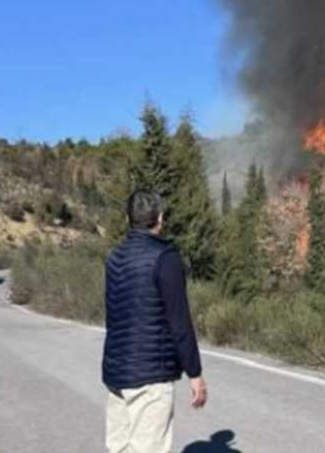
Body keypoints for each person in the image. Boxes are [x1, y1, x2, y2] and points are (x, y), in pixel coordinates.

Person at [102, 191, 207, 453]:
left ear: (129, 218)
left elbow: (113, 315)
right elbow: (179, 321)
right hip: (150, 377)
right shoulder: (166, 257)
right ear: (160, 218)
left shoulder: (114, 258)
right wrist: (194, 373)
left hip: (116, 374)